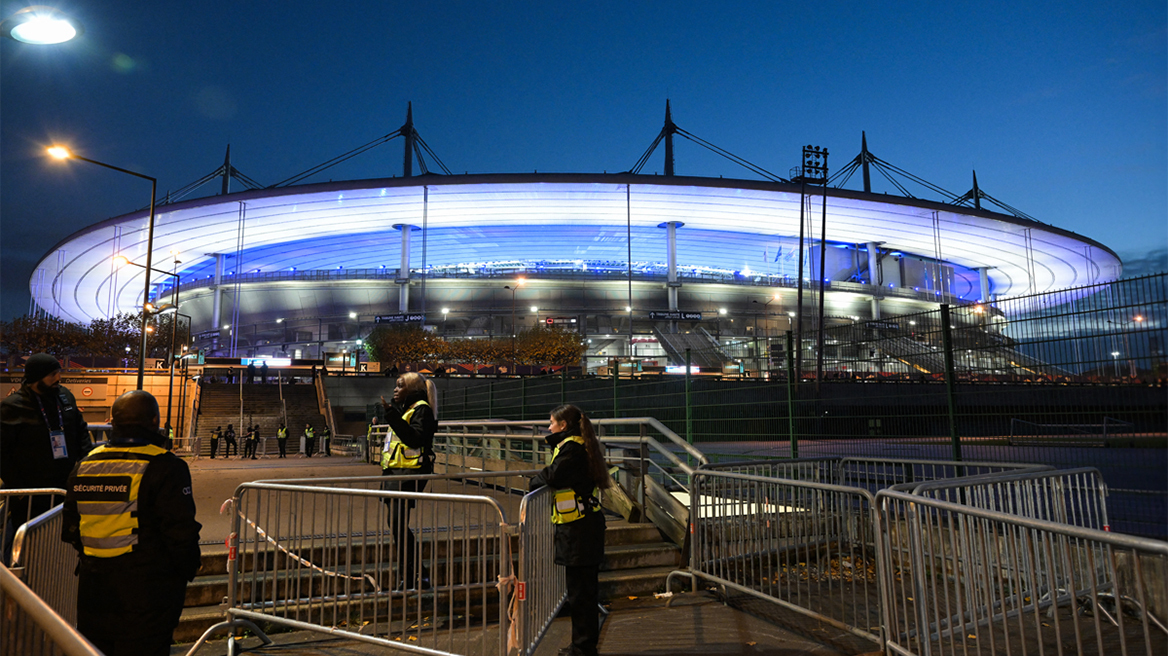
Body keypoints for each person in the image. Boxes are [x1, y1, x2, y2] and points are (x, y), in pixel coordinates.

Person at [61, 390, 202, 656]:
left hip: (93, 588)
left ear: (113, 423)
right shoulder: (165, 466)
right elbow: (180, 532)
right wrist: (186, 570)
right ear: (153, 421)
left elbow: (71, 527)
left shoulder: (86, 464)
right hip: (147, 591)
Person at [529, 404, 611, 656]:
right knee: (582, 592)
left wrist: (534, 481)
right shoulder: (576, 445)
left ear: (563, 426)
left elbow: (553, 476)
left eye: (551, 423)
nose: (548, 427)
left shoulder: (572, 449)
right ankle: (583, 646)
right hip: (582, 528)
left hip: (579, 531)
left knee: (581, 594)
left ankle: (583, 649)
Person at [1, 353, 90, 563]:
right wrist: (19, 489)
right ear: (36, 378)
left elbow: (80, 429)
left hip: (64, 486)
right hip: (31, 493)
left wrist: (86, 462)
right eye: (53, 374)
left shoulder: (65, 397)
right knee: (26, 540)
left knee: (59, 539)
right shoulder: (12, 407)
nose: (58, 378)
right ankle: (19, 583)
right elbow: (2, 454)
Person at [379, 372, 438, 591]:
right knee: (396, 526)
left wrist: (390, 414)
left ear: (412, 390)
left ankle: (412, 576)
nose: (395, 390)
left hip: (407, 474)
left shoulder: (421, 410)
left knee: (397, 525)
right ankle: (415, 576)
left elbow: (414, 438)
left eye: (400, 386)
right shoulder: (409, 410)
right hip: (396, 475)